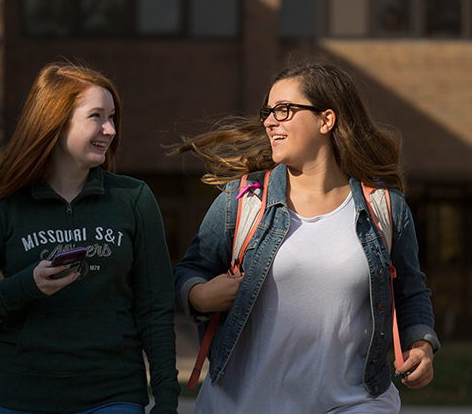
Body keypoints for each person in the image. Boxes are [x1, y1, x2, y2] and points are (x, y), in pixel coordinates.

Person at [172, 61, 440, 413]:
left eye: (284, 110)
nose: (269, 121)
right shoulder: (244, 201)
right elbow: (188, 271)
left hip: (353, 402)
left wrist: (420, 344)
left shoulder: (385, 209)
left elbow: (410, 292)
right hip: (241, 403)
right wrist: (202, 296)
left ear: (326, 120)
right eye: (268, 111)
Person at [0, 61, 180, 414]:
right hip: (22, 398)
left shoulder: (133, 199)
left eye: (113, 117)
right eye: (96, 116)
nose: (110, 129)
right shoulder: (1, 202)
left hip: (112, 394)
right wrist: (28, 284)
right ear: (54, 122)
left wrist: (166, 399)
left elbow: (155, 307)